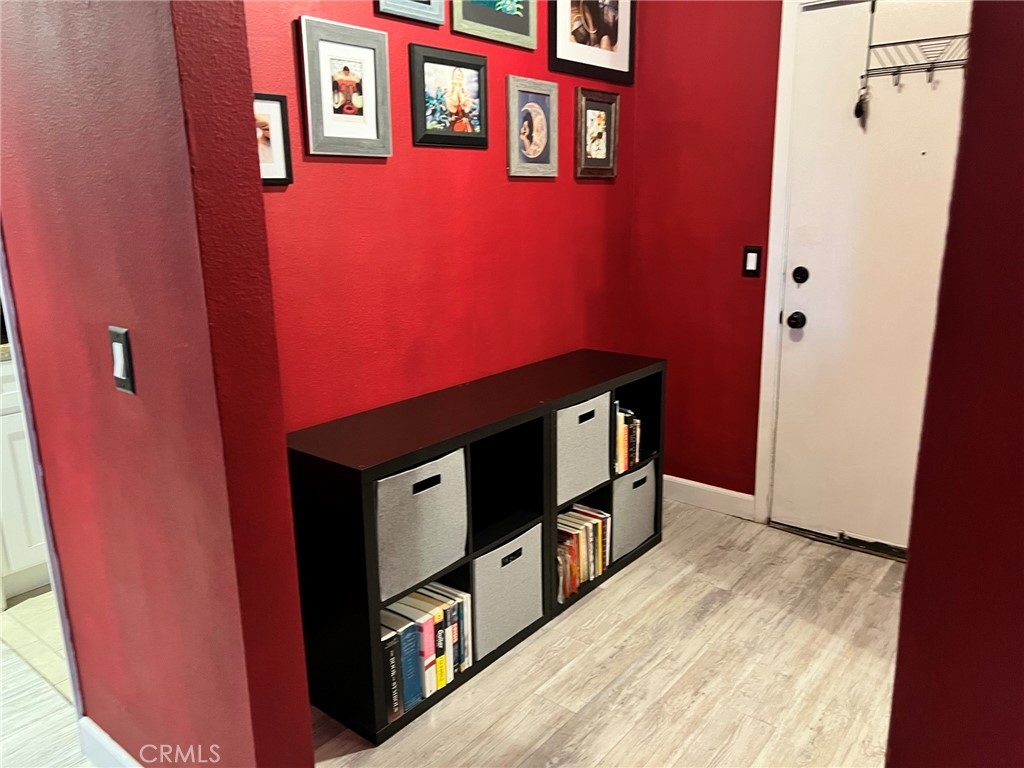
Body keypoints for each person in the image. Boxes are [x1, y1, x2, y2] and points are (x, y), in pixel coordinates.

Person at [445, 68, 475, 132]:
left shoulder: (465, 93)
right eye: (456, 75)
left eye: (459, 75)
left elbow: (467, 109)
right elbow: (451, 109)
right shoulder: (449, 94)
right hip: (453, 124)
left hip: (465, 124)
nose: (458, 77)